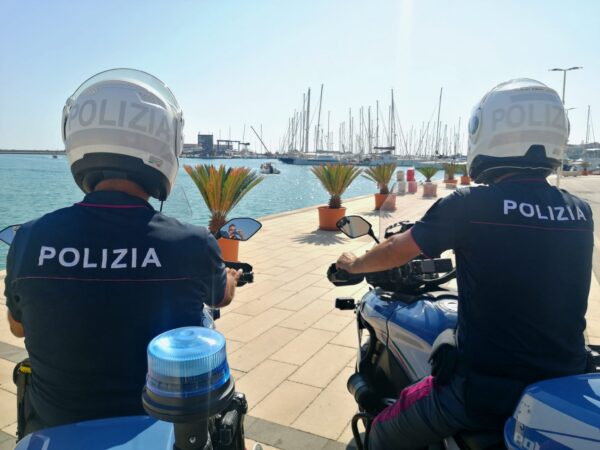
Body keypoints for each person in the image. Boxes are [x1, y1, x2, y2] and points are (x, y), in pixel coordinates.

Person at [336, 79, 594, 449]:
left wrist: (354, 262)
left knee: (381, 433)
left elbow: (397, 250)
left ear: (485, 131)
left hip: (483, 391)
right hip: (563, 378)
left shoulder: (470, 205)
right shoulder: (579, 211)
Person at [4, 69, 242, 435]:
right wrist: (229, 278)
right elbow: (219, 298)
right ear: (166, 144)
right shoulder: (193, 244)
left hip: (54, 427)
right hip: (159, 429)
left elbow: (18, 328)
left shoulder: (29, 238)